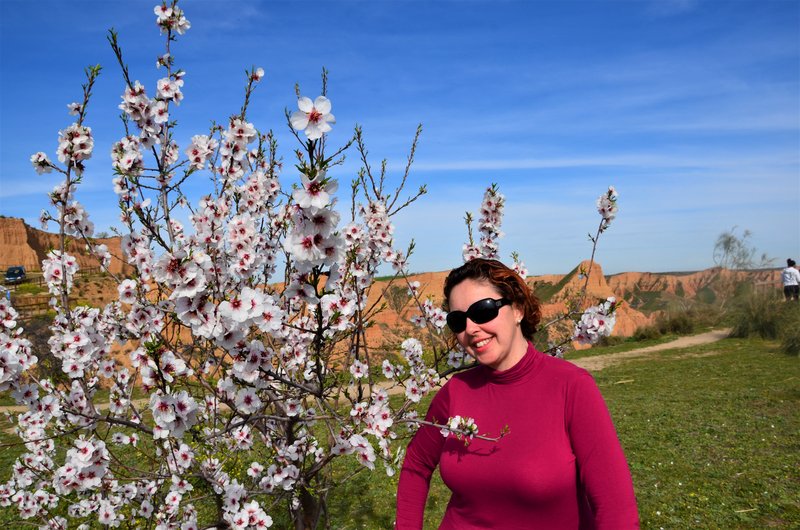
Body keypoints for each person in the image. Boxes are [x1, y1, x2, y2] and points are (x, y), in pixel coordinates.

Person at [395, 258, 639, 529]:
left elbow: (616, 508)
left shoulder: (572, 387)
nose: (471, 329)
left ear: (518, 309)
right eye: (458, 320)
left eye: (483, 310)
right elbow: (416, 463)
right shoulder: (456, 392)